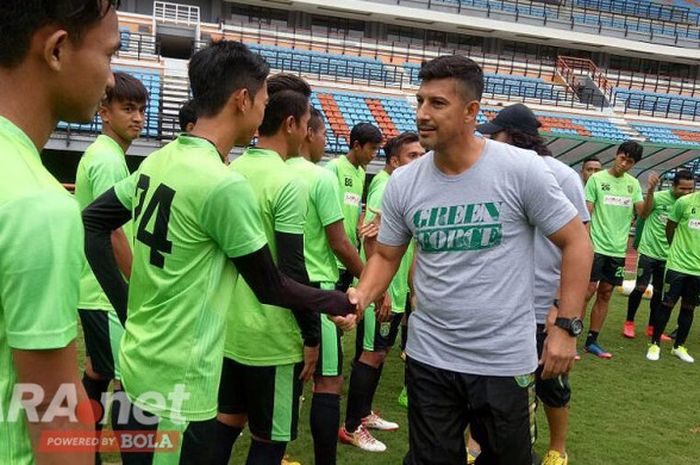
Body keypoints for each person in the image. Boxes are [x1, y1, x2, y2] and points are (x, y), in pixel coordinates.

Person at [82, 41, 355, 465]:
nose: (265, 111)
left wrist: (126, 307)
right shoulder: (222, 184)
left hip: (139, 366)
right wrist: (337, 301)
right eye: (264, 100)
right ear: (242, 100)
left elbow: (94, 220)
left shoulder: (161, 158)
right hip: (178, 389)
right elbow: (270, 285)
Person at [347, 55, 592, 465]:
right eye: (420, 101)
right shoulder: (404, 182)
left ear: (471, 111)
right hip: (429, 357)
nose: (423, 114)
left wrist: (566, 326)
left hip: (501, 359)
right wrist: (362, 295)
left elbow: (576, 242)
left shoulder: (520, 169)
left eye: (437, 103)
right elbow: (387, 256)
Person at [0, 1, 120, 464]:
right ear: (56, 50)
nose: (110, 78)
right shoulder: (38, 204)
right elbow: (52, 412)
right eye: (109, 54)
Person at [216, 74, 354, 465]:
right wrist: (312, 334)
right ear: (292, 124)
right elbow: (291, 269)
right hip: (273, 336)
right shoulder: (289, 181)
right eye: (307, 119)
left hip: (230, 327)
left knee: (226, 422)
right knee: (269, 438)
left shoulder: (231, 171)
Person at [478, 103, 591, 465]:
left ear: (514, 137)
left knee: (552, 384)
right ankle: (476, 443)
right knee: (487, 381)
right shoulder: (490, 173)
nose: (487, 139)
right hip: (499, 304)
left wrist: (563, 309)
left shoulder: (562, 176)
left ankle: (557, 448)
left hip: (544, 304)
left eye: (494, 133)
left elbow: (580, 244)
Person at [286, 105, 366, 465]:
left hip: (276, 288)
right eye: (322, 135)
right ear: (307, 132)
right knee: (327, 381)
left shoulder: (268, 171)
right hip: (317, 287)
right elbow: (339, 242)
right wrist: (368, 277)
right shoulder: (320, 177)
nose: (325, 143)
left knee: (288, 375)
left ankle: (279, 450)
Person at [74, 71, 147, 464]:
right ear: (104, 111)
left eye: (141, 109)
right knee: (127, 380)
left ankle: (88, 453)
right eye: (127, 108)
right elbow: (112, 232)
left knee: (99, 371)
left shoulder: (107, 155)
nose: (137, 117)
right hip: (105, 291)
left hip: (93, 289)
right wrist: (138, 284)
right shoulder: (108, 160)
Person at [339, 132, 424, 453]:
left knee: (377, 353)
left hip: (398, 288)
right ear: (394, 161)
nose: (419, 160)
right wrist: (382, 291)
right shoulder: (388, 186)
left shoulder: (408, 186)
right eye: (412, 156)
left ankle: (363, 414)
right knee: (371, 354)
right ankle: (351, 427)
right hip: (383, 290)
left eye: (421, 154)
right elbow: (370, 237)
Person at [583, 141, 645, 358]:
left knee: (606, 293)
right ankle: (570, 336)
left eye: (630, 161)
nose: (624, 163)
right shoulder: (597, 180)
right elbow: (586, 213)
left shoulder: (634, 184)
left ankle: (592, 340)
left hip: (618, 250)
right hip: (596, 246)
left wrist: (653, 190)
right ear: (616, 155)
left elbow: (643, 213)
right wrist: (587, 242)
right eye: (622, 158)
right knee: (586, 292)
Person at [624, 170, 695, 339]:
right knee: (640, 287)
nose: (686, 193)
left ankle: (652, 326)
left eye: (690, 189)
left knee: (659, 293)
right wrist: (650, 191)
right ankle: (629, 322)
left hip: (670, 256)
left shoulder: (690, 204)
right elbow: (644, 214)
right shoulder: (660, 197)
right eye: (682, 189)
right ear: (673, 185)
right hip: (650, 251)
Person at [325, 122, 383, 292]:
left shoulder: (361, 173)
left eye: (377, 149)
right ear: (357, 145)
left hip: (350, 254)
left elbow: (355, 205)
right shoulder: (333, 168)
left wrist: (359, 224)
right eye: (372, 148)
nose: (374, 154)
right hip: (332, 257)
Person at [647, 183, 700, 362]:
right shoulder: (684, 202)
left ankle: (679, 346)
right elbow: (670, 227)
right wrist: (675, 249)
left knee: (689, 308)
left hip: (698, 270)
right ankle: (654, 344)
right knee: (667, 304)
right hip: (678, 265)